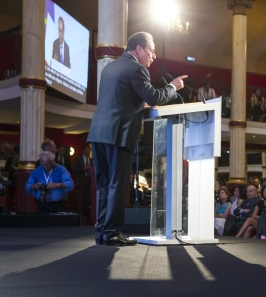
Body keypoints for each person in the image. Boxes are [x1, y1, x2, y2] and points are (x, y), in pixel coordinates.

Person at [87, 32, 187, 246]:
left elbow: (120, 98)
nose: (153, 56)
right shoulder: (137, 69)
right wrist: (173, 87)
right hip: (118, 133)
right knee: (116, 184)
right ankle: (113, 232)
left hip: (99, 131)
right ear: (138, 49)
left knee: (104, 184)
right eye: (151, 50)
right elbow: (154, 96)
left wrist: (140, 106)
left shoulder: (109, 67)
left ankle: (102, 231)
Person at [72, 145, 93, 219]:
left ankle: (87, 213)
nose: (88, 153)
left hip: (90, 181)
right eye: (87, 152)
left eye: (89, 152)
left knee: (88, 197)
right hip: (81, 180)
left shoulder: (91, 160)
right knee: (81, 197)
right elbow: (74, 169)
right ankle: (81, 213)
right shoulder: (78, 159)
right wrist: (83, 169)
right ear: (83, 151)